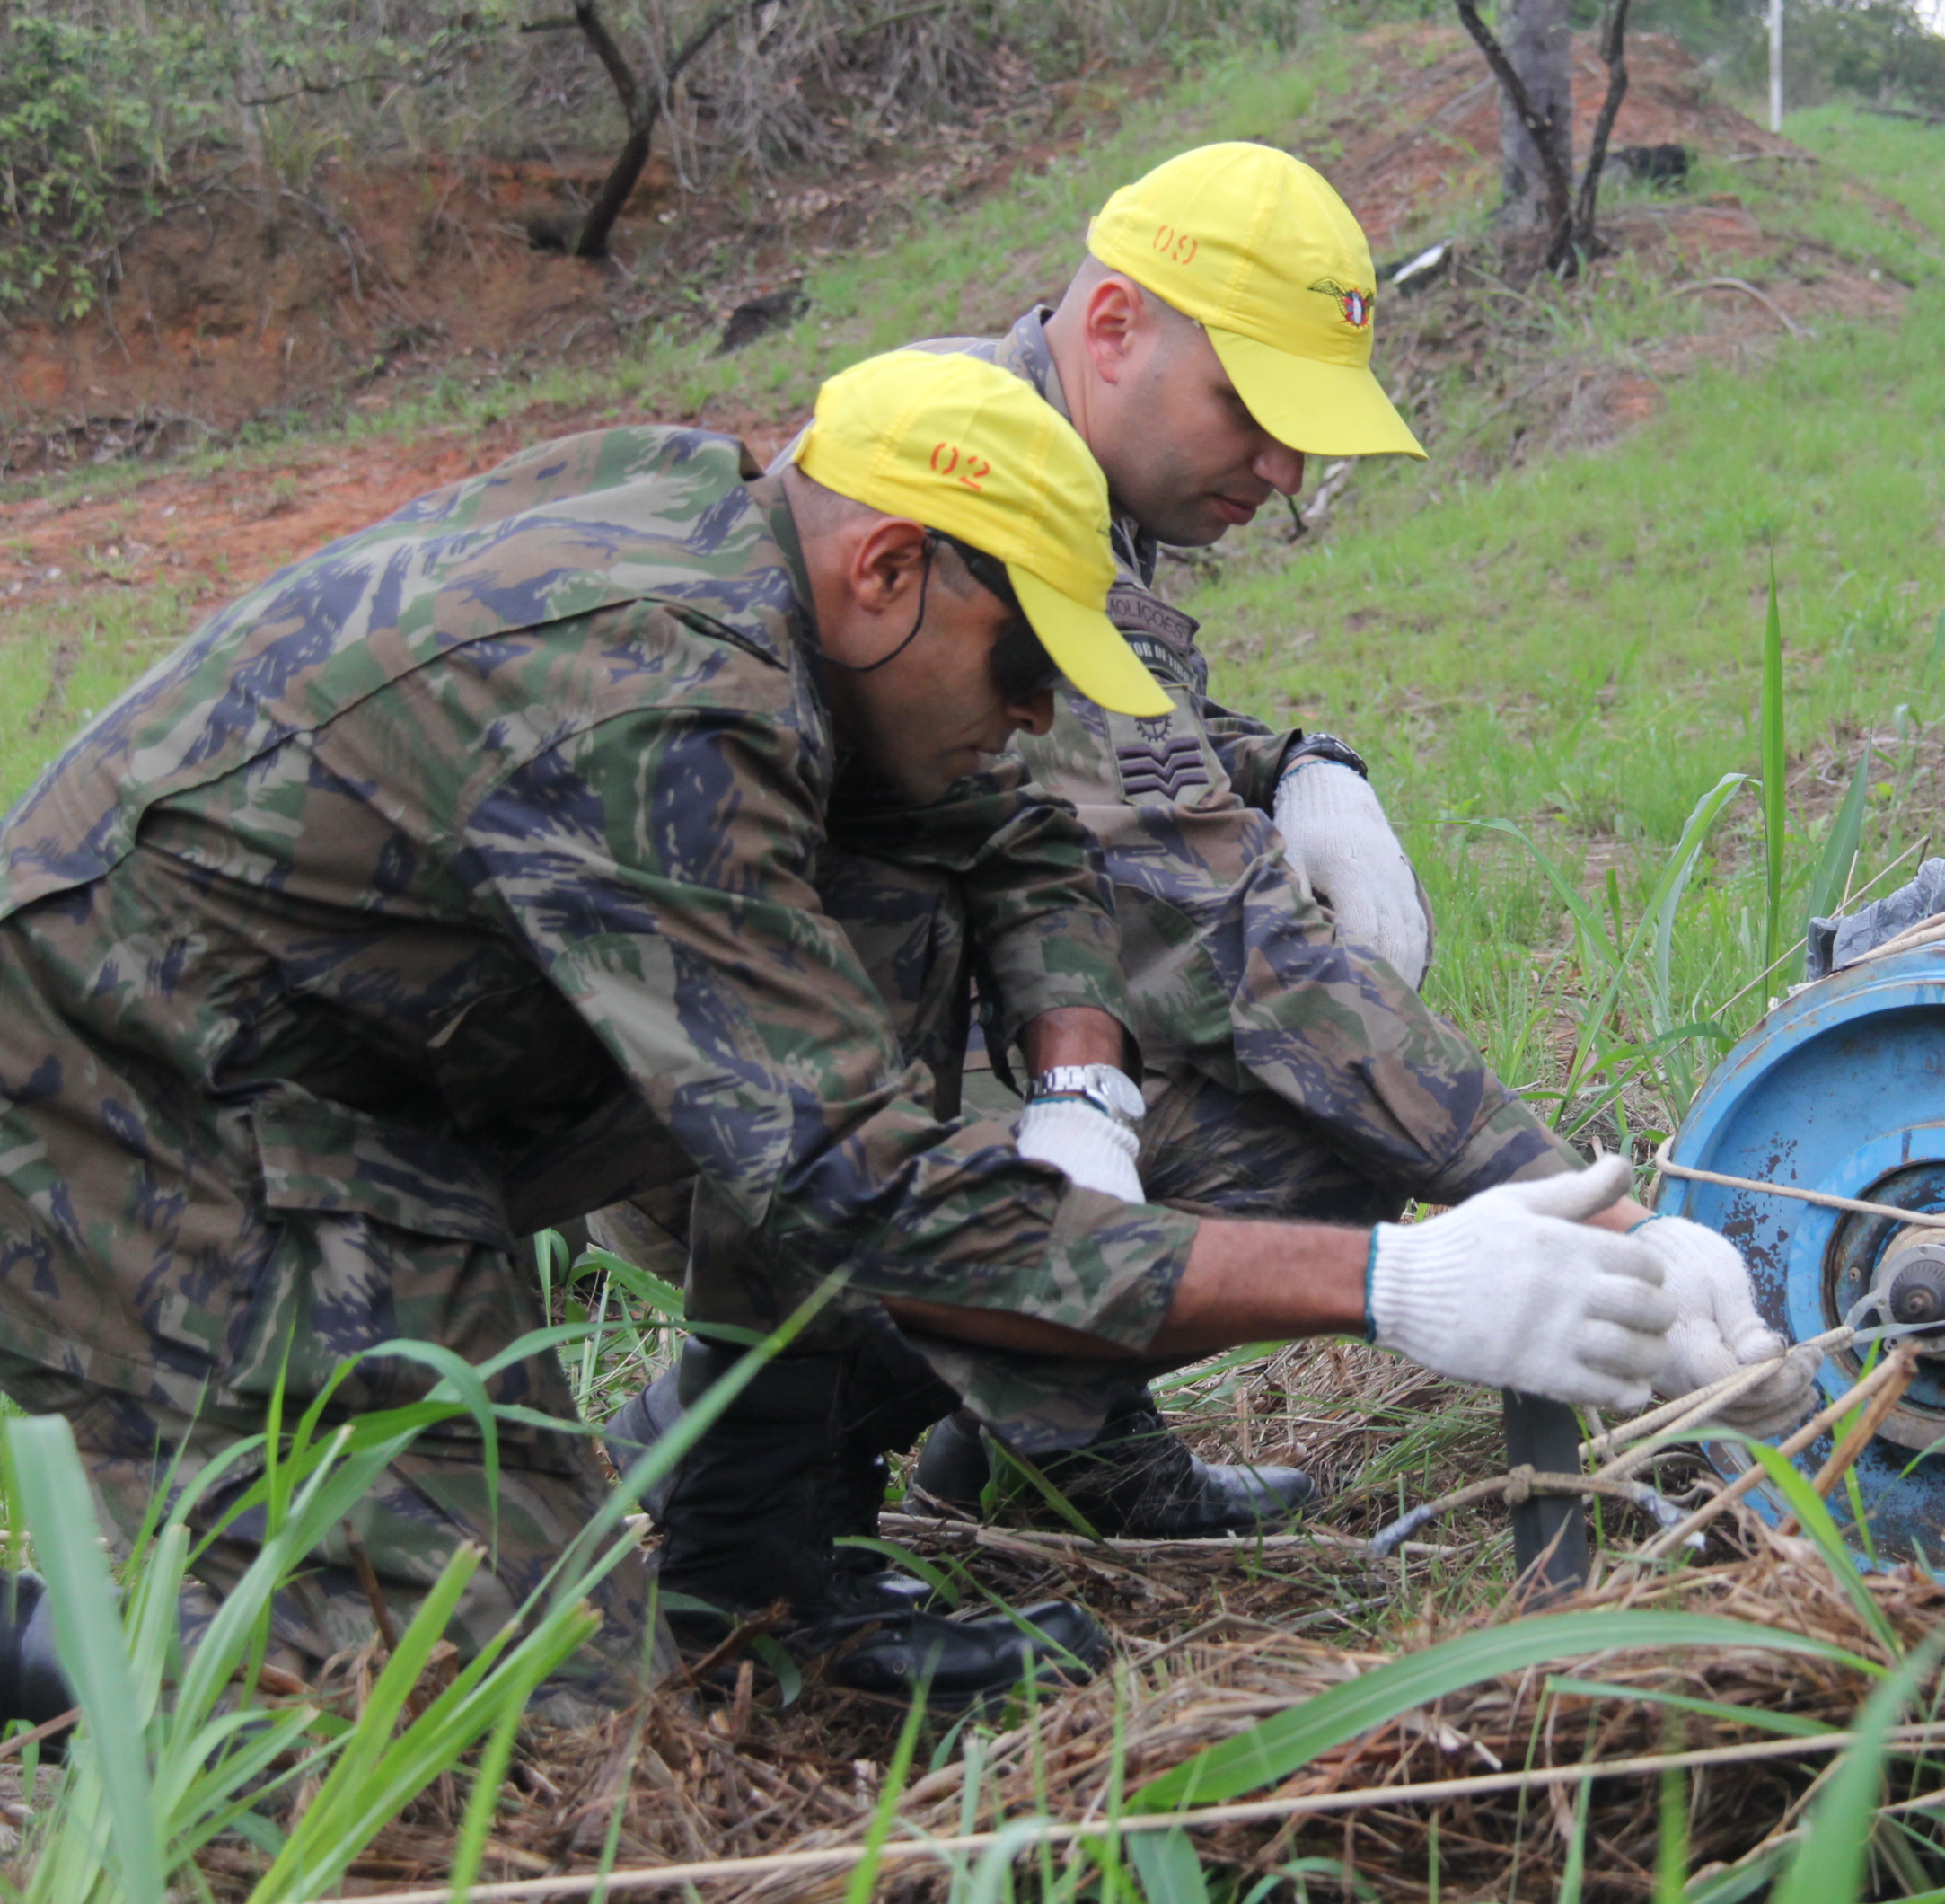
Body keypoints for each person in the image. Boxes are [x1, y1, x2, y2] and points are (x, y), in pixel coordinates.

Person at [0, 350, 1688, 1727]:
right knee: (504, 1719)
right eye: (1024, 665)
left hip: (377, 1087)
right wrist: (1401, 1288)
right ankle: (74, 1641)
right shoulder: (662, 705)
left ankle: (752, 1559)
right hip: (137, 1104)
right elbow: (865, 1201)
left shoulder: (756, 538)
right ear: (890, 566)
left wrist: (1083, 1088)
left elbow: (1017, 835)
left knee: (898, 874)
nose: (1036, 719)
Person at [603, 144, 1815, 1568]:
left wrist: (1297, 765)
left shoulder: (1059, 453)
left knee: (1203, 1089)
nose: (1289, 469)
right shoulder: (976, 492)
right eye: (1254, 408)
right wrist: (1581, 1204)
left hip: (832, 1036)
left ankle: (1051, 1443)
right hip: (741, 1104)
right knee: (1301, 1141)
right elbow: (1227, 945)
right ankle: (731, 1435)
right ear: (1115, 327)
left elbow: (1118, 748)